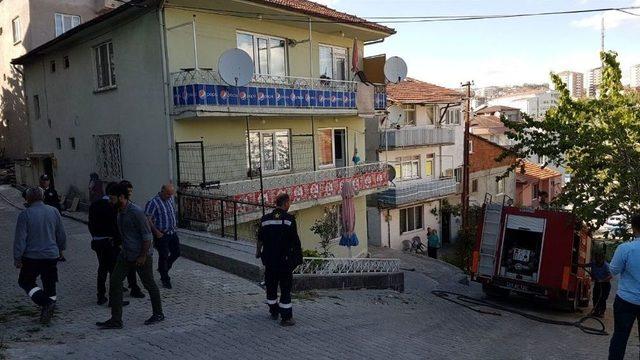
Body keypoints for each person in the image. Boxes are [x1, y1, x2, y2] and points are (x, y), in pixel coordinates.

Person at [96, 184, 164, 329]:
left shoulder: (136, 212)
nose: (110, 202)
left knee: (149, 283)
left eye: (112, 199)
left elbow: (147, 237)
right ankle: (116, 320)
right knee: (115, 281)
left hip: (141, 255)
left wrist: (142, 256)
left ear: (121, 197)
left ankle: (158, 313)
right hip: (126, 254)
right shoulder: (119, 211)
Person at [13, 187, 67, 324]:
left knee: (25, 282)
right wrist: (61, 249)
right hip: (51, 256)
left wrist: (17, 258)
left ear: (28, 199)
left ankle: (46, 303)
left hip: (32, 257)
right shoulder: (54, 211)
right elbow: (61, 234)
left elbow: (20, 239)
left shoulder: (25, 215)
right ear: (43, 197)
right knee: (50, 283)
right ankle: (49, 311)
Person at [256, 193, 303, 326]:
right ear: (285, 203)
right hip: (284, 261)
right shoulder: (289, 219)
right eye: (289, 202)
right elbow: (295, 241)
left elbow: (260, 238)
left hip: (269, 260)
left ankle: (273, 310)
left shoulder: (265, 219)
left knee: (271, 286)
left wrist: (258, 252)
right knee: (285, 288)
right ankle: (286, 318)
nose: (290, 205)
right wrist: (298, 257)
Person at [608, 214, 640, 359]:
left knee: (620, 337)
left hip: (626, 300)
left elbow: (613, 270)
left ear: (634, 228)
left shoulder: (625, 248)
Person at [145, 183, 180, 289]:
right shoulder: (153, 202)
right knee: (163, 255)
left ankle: (163, 269)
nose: (170, 196)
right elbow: (147, 219)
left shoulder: (169, 199)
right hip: (161, 234)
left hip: (172, 232)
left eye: (171, 194)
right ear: (162, 191)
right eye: (168, 194)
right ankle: (165, 278)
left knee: (176, 253)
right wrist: (156, 232)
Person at [117, 180, 145, 299]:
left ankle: (132, 286)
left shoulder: (132, 207)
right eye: (128, 192)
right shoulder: (119, 207)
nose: (130, 194)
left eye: (131, 191)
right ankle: (130, 286)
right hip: (123, 243)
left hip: (131, 244)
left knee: (131, 267)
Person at [584, 252, 612, 318]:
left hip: (605, 285)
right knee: (595, 297)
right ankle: (596, 311)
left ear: (602, 259)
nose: (597, 260)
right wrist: (577, 264)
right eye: (596, 258)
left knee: (602, 298)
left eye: (599, 259)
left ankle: (602, 312)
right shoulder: (593, 263)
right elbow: (585, 265)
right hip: (597, 283)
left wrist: (602, 280)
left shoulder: (606, 266)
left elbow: (610, 276)